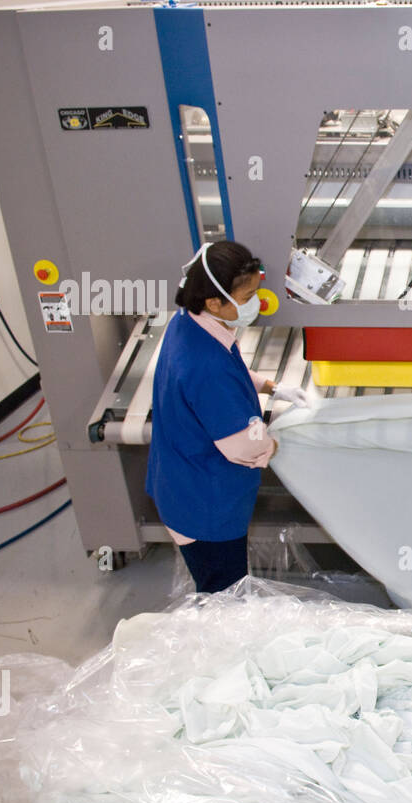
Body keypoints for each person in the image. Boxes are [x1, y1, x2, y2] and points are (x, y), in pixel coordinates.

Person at [145, 241, 310, 593]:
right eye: (247, 295)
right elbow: (244, 446)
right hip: (204, 503)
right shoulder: (206, 368)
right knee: (224, 593)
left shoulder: (189, 323)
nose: (256, 302)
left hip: (179, 480)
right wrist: (283, 442)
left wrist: (270, 386)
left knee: (217, 582)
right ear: (213, 301)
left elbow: (227, 369)